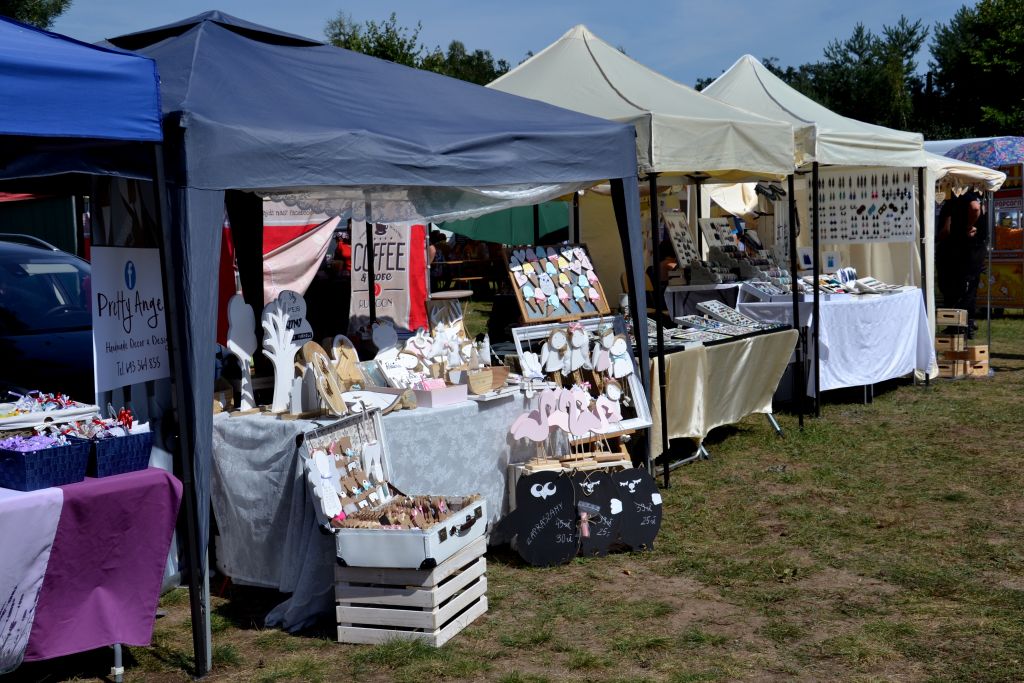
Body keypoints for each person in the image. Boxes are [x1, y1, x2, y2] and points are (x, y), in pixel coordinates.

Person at [937, 191, 986, 337]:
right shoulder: (978, 196)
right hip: (970, 249)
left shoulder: (962, 195)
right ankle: (965, 325)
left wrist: (968, 226)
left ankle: (959, 326)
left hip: (961, 250)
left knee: (958, 289)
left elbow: (975, 208)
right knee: (968, 288)